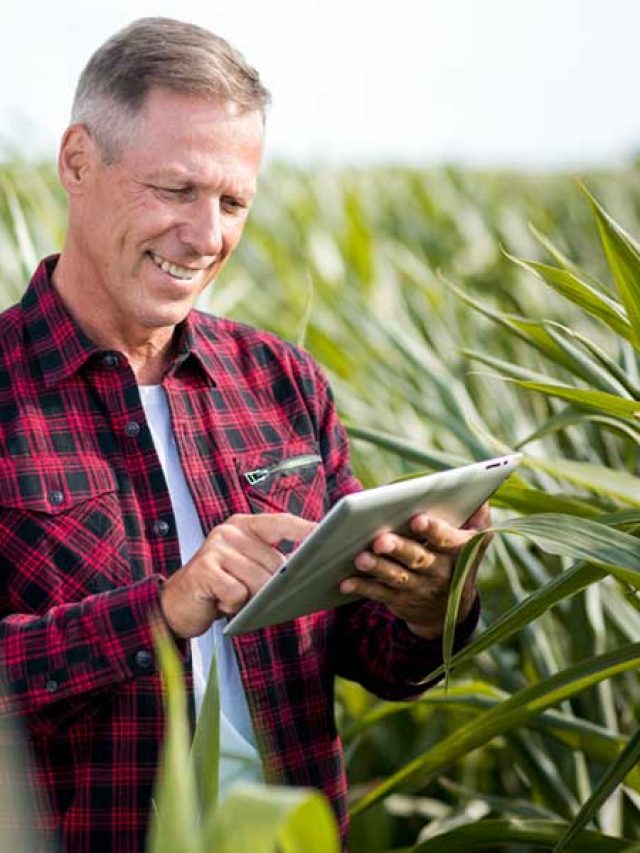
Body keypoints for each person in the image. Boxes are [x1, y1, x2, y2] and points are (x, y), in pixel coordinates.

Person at [0, 17, 485, 852]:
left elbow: (372, 654)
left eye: (232, 202)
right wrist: (162, 609)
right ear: (77, 162)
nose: (207, 236)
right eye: (175, 189)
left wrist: (432, 605)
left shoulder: (281, 381)